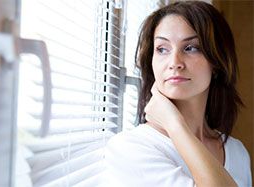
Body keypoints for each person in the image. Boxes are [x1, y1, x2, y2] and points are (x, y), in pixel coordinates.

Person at [103, 1, 252, 187]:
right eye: (162, 49)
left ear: (216, 61)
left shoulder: (237, 152)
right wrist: (174, 124)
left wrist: (175, 125)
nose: (174, 62)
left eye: (191, 48)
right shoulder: (130, 148)